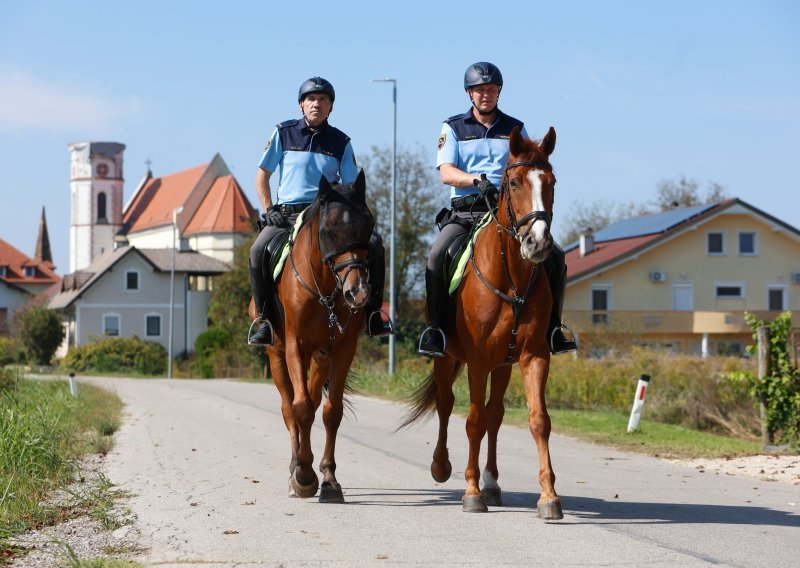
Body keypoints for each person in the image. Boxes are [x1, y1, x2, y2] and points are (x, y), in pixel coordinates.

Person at [418, 62, 577, 357]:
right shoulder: (453, 127)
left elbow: (530, 165)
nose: (485, 95)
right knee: (437, 254)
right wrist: (477, 181)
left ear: (499, 92)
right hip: (467, 212)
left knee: (555, 255)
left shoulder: (514, 128)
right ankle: (436, 330)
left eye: (491, 89)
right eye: (479, 90)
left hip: (508, 213)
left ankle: (554, 329)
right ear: (470, 93)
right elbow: (446, 172)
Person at [248, 76, 393, 345]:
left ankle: (373, 314)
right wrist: (269, 210)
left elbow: (351, 187)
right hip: (287, 216)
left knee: (375, 244)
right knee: (257, 250)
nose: (317, 104)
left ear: (331, 107)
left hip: (327, 216)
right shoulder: (283, 132)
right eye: (311, 99)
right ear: (301, 104)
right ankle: (264, 320)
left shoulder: (341, 141)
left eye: (323, 99)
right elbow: (262, 176)